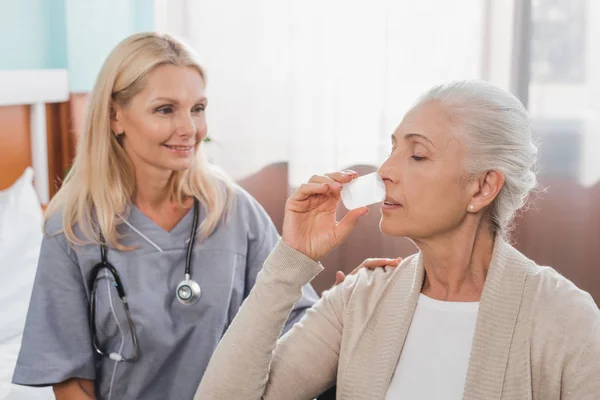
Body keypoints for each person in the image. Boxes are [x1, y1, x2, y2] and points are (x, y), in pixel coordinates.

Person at [195, 80, 600, 400]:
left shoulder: (564, 318)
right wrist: (291, 259)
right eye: (391, 149)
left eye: (417, 155)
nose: (385, 169)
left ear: (482, 188)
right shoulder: (361, 298)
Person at [10, 32, 323, 400]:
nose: (189, 129)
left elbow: (297, 322)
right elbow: (71, 381)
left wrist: (356, 296)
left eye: (198, 108)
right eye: (165, 109)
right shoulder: (74, 229)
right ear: (115, 116)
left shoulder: (234, 211)